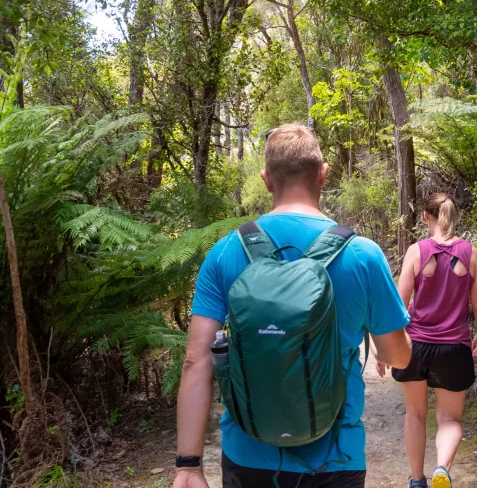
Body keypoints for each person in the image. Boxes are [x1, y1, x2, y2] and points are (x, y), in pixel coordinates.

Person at [173, 124, 413, 488]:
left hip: (248, 456)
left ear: (267, 180)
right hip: (336, 459)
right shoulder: (364, 255)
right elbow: (399, 357)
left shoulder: (225, 252)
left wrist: (188, 466)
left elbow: (196, 359)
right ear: (323, 174)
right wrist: (382, 344)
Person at [378, 193, 477, 488]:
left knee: (415, 415)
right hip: (454, 348)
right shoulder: (471, 254)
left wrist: (384, 350)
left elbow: (398, 307)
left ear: (426, 217)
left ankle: (417, 481)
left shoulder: (417, 251)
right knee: (450, 420)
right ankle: (442, 468)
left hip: (415, 347)